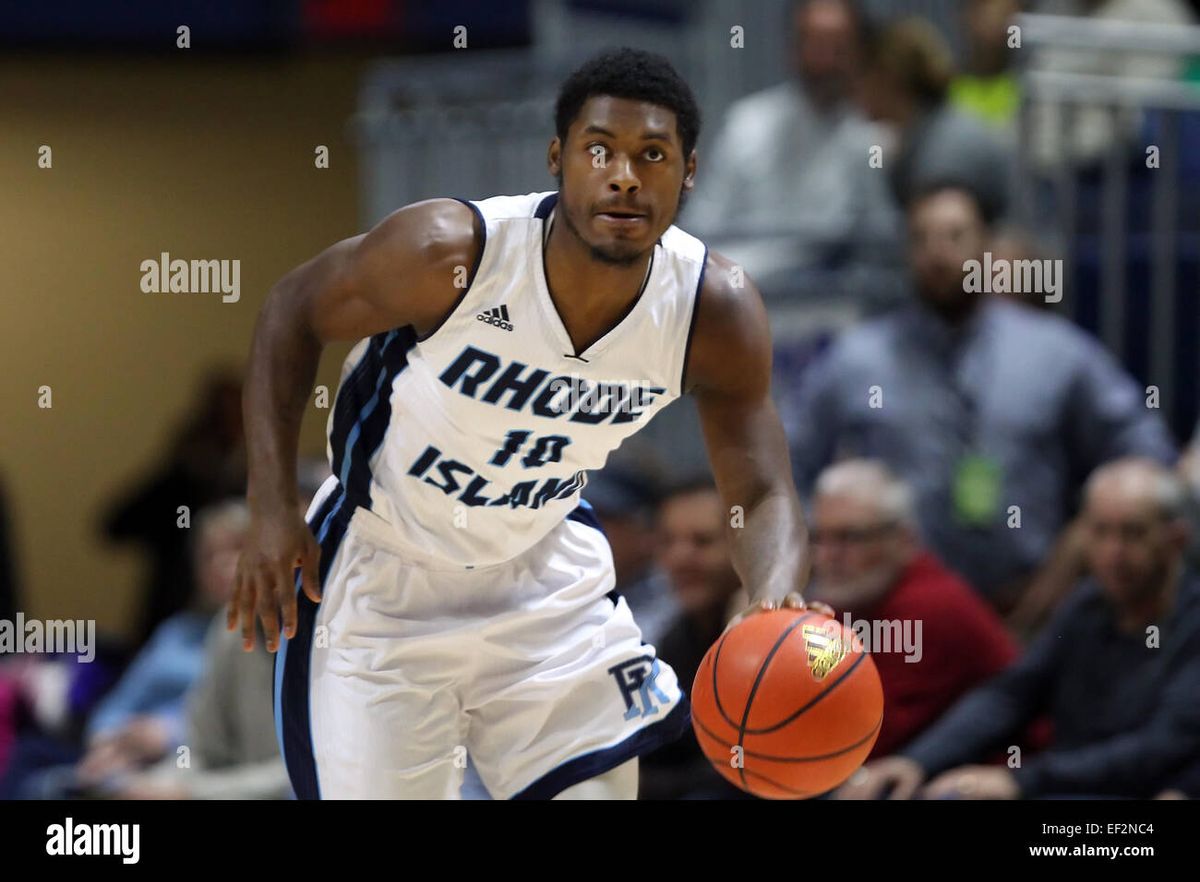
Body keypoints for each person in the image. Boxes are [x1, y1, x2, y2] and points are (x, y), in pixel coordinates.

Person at [230, 48, 823, 800]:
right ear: (557, 157)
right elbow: (291, 310)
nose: (624, 176)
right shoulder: (449, 254)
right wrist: (271, 509)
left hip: (543, 574)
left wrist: (771, 600)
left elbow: (763, 487)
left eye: (653, 155)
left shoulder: (715, 310)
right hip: (385, 579)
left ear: (690, 172)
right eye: (599, 149)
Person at [790, 180, 1177, 613]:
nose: (939, 253)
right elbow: (787, 471)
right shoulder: (855, 360)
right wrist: (834, 550)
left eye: (955, 235)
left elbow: (1146, 452)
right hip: (894, 614)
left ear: (989, 244)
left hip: (1030, 609)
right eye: (922, 238)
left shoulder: (1055, 352)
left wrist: (1082, 542)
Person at [838, 458, 1200, 800]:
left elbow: (1163, 744)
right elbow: (1011, 693)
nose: (1113, 552)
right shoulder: (1087, 605)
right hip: (1064, 784)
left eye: (1133, 534)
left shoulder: (1191, 620)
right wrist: (918, 761)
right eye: (1101, 532)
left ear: (1177, 539)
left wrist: (1020, 778)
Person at [805, 460, 1018, 758]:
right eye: (818, 538)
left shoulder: (931, 607)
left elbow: (869, 738)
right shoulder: (859, 596)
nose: (827, 556)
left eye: (849, 538)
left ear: (903, 539)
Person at [639, 477, 754, 800]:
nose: (680, 558)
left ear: (743, 547)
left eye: (702, 541)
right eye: (667, 542)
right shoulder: (677, 637)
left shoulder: (775, 639)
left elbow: (745, 769)